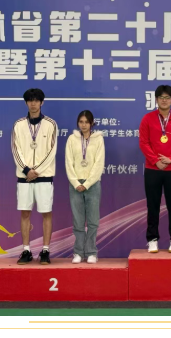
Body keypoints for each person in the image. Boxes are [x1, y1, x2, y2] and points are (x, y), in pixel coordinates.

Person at [139, 85, 171, 253]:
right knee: (152, 206)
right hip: (152, 169)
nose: (164, 100)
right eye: (161, 97)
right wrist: (155, 161)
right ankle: (152, 239)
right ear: (156, 99)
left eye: (167, 97)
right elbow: (143, 143)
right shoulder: (147, 118)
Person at [11, 88, 58, 265]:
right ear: (26, 103)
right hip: (24, 177)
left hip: (44, 176)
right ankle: (26, 250)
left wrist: (36, 170)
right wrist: (26, 170)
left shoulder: (51, 124)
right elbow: (15, 150)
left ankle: (45, 250)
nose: (33, 103)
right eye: (30, 100)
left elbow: (52, 151)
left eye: (36, 100)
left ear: (42, 102)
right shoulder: (18, 125)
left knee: (46, 213)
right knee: (25, 213)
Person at [65, 110, 105, 264]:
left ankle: (91, 252)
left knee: (93, 221)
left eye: (86, 122)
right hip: (75, 184)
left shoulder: (98, 139)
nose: (83, 125)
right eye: (81, 122)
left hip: (93, 184)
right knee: (78, 221)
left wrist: (87, 183)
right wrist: (76, 183)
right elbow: (69, 162)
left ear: (91, 123)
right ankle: (78, 252)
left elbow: (99, 164)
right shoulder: (72, 139)